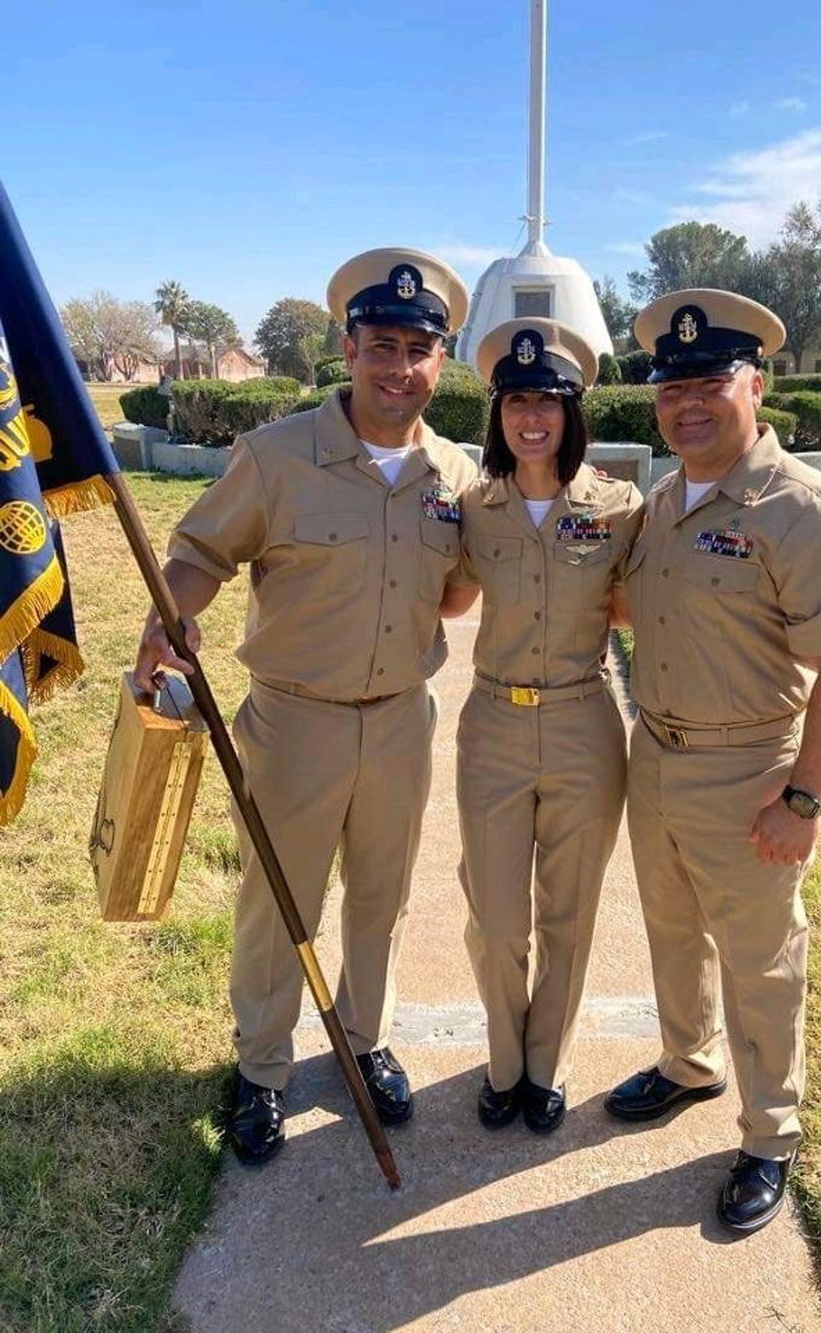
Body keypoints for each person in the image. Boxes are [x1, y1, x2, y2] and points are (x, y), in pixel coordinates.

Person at [134, 248, 478, 1164]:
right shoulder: (278, 455)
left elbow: (455, 594)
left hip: (403, 717)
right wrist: (170, 621)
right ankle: (262, 1067)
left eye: (417, 348)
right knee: (276, 900)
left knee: (383, 895)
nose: (398, 367)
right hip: (295, 721)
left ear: (440, 359)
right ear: (347, 345)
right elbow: (202, 553)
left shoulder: (455, 471)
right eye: (381, 344)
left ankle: (366, 1042)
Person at [604, 289, 821, 1234]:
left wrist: (802, 797)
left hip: (751, 768)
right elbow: (642, 611)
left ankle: (770, 1133)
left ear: (753, 384)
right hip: (658, 754)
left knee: (763, 960)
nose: (688, 400)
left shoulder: (802, 508)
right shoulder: (661, 501)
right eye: (672, 384)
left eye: (709, 380)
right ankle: (688, 1061)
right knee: (672, 929)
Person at [441, 319, 642, 1133]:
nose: (532, 417)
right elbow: (447, 593)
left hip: (583, 726)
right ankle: (503, 1061)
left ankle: (546, 1066)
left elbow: (647, 603)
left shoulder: (620, 507)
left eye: (548, 401)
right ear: (497, 411)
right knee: (494, 918)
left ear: (571, 412)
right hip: (492, 724)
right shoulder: (473, 508)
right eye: (517, 399)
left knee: (569, 911)